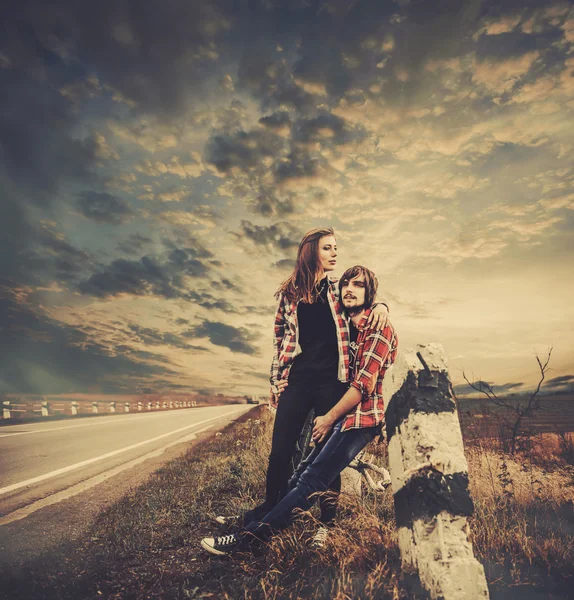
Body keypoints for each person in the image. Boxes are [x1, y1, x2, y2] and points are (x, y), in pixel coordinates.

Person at [201, 265, 398, 556]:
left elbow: (362, 385)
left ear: (370, 293)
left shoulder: (378, 326)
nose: (349, 289)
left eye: (358, 285)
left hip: (361, 419)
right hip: (346, 416)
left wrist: (328, 417)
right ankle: (251, 523)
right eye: (345, 283)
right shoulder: (351, 326)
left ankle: (249, 542)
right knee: (303, 474)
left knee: (312, 479)